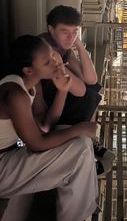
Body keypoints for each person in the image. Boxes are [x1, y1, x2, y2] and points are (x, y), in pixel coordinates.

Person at [0, 35, 98, 221]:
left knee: (81, 144)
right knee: (80, 151)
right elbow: (37, 143)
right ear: (29, 70)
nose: (55, 63)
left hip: (11, 156)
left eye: (52, 56)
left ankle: (80, 213)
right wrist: (79, 128)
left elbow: (46, 125)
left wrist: (62, 90)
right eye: (47, 62)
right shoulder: (15, 94)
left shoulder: (29, 85)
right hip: (3, 165)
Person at [39, 5, 115, 176]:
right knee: (88, 97)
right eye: (65, 31)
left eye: (75, 31)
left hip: (57, 95)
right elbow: (81, 90)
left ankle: (87, 142)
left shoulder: (60, 47)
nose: (70, 37)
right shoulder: (46, 50)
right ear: (51, 29)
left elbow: (91, 79)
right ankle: (84, 154)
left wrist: (79, 45)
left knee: (95, 88)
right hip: (45, 108)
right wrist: (63, 62)